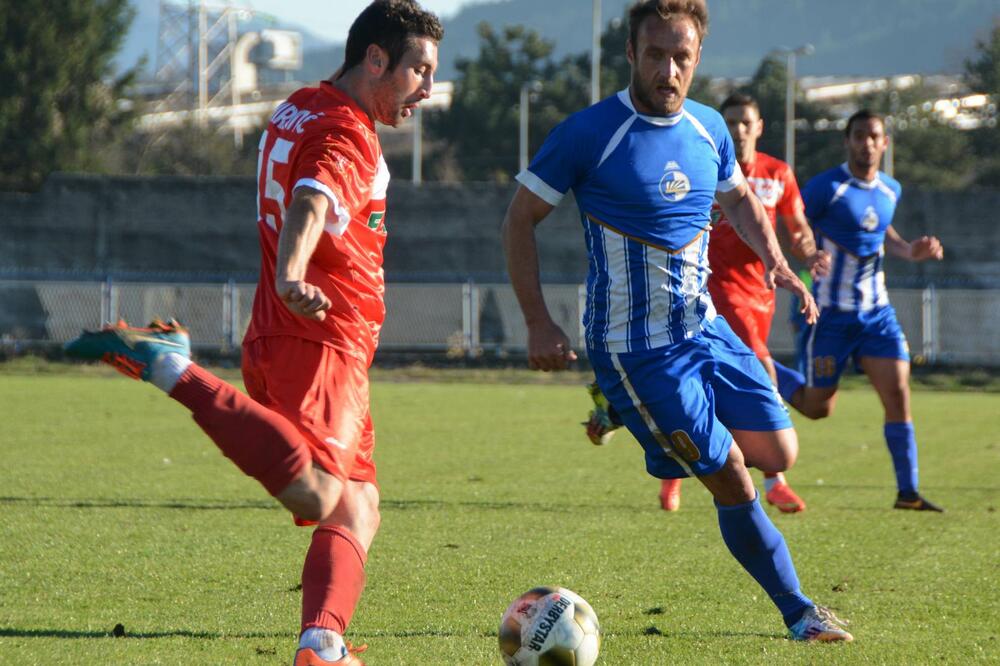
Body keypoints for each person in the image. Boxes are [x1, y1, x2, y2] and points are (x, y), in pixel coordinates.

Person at [65, 2, 443, 664]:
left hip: (289, 334)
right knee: (322, 491)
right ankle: (169, 366)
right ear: (375, 59)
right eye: (419, 69)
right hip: (318, 339)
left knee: (358, 506)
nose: (427, 88)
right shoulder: (346, 133)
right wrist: (298, 271)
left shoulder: (298, 104)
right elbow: (312, 200)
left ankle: (322, 645)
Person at [502, 0, 851, 642]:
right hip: (638, 351)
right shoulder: (589, 132)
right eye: (656, 54)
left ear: (697, 59)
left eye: (681, 57)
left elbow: (739, 195)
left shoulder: (710, 127)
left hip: (706, 328)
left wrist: (774, 258)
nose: (669, 69)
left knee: (781, 450)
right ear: (631, 54)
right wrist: (536, 322)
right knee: (732, 476)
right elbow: (518, 219)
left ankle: (662, 442)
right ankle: (800, 611)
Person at [585, 92, 831, 514]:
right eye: (730, 121)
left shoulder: (778, 174)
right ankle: (774, 481)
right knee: (759, 367)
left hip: (761, 294)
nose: (737, 129)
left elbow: (798, 227)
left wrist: (808, 255)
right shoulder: (700, 162)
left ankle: (617, 414)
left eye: (744, 122)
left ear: (759, 127)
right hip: (711, 293)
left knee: (694, 391)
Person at [772, 109, 946, 512]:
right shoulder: (824, 188)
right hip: (831, 315)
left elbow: (881, 231)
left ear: (885, 143)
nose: (867, 144)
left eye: (874, 136)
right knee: (818, 408)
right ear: (847, 142)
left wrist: (909, 251)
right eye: (859, 136)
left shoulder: (890, 190)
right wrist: (808, 255)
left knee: (898, 394)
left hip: (876, 315)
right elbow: (791, 224)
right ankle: (759, 363)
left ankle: (908, 493)